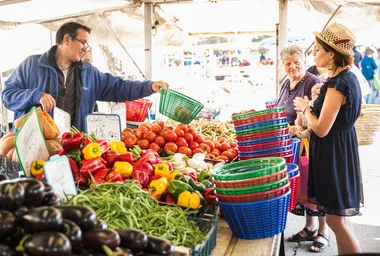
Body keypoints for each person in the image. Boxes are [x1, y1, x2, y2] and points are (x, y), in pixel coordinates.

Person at [1, 22, 168, 131]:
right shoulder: (32, 65)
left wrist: (150, 86)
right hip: (36, 147)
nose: (85, 48)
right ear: (67, 39)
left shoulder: (89, 72)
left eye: (87, 45)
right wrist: (36, 95)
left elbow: (119, 87)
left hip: (73, 146)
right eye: (83, 42)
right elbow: (7, 96)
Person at [294, 22, 362, 255]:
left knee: (336, 222)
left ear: (331, 53)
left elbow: (322, 128)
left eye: (317, 50)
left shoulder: (338, 84)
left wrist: (305, 108)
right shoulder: (346, 78)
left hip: (334, 154)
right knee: (340, 221)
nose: (314, 54)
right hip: (340, 150)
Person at [277, 44, 323, 125]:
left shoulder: (314, 82)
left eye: (296, 62)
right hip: (285, 135)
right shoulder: (286, 83)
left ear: (304, 62)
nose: (293, 67)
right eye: (288, 64)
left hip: (301, 136)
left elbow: (319, 118)